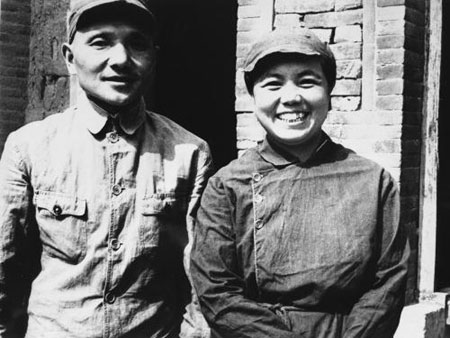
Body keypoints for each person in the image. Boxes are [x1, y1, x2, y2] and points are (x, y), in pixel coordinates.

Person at [0, 0, 213, 337]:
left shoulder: (189, 153)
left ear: (153, 57)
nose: (121, 60)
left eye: (137, 44)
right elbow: (5, 268)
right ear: (70, 58)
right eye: (100, 42)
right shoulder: (29, 147)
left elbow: (198, 282)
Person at [190, 28, 410, 338]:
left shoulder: (374, 181)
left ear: (328, 94)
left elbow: (387, 283)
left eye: (308, 82)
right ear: (254, 98)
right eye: (273, 84)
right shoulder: (226, 185)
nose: (291, 97)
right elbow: (217, 293)